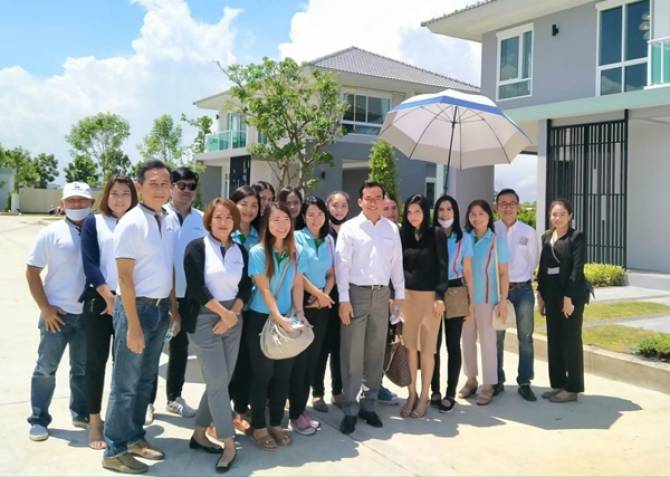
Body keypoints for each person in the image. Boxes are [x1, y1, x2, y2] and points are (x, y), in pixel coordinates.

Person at [102, 160, 180, 474]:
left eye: (165, 184)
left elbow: (168, 266)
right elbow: (124, 278)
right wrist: (133, 326)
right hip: (136, 310)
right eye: (153, 183)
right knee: (125, 384)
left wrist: (173, 307)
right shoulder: (132, 223)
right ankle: (114, 450)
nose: (160, 189)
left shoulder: (169, 219)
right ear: (140, 186)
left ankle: (134, 437)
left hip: (160, 309)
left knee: (145, 380)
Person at [182, 198, 252, 472]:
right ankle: (228, 442)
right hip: (205, 318)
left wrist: (233, 313)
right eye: (218, 217)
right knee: (219, 383)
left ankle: (199, 434)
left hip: (234, 317)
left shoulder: (240, 250)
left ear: (235, 221)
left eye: (228, 218)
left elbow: (245, 287)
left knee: (219, 381)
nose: (223, 222)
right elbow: (196, 288)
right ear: (209, 220)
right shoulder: (196, 248)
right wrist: (223, 315)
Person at [26, 182, 95, 442]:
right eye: (72, 200)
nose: (77, 205)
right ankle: (38, 419)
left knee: (82, 369)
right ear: (62, 204)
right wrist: (45, 308)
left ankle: (80, 412)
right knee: (45, 368)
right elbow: (32, 271)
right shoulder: (51, 233)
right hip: (56, 315)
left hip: (87, 315)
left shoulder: (100, 231)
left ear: (92, 203)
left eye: (82, 200)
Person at [335, 181, 405, 434]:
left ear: (384, 200)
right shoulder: (350, 228)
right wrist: (344, 299)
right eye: (368, 197)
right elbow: (342, 264)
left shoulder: (391, 229)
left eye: (378, 197)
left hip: (382, 294)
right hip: (356, 295)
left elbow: (396, 263)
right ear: (360, 201)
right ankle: (350, 408)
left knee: (376, 352)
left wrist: (400, 295)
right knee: (352, 353)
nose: (373, 202)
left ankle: (369, 405)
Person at [80, 176, 137, 449]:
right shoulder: (94, 222)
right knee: (95, 362)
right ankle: (94, 421)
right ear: (106, 196)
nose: (119, 199)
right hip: (100, 301)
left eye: (125, 194)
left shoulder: (138, 222)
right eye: (114, 193)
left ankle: (120, 420)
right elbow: (90, 263)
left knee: (124, 366)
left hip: (131, 300)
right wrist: (108, 296)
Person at [246, 202, 308, 450]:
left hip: (287, 318)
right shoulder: (257, 252)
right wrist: (278, 318)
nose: (281, 225)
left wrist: (299, 313)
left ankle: (275, 424)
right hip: (262, 319)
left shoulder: (297, 251)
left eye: (285, 219)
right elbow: (264, 290)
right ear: (267, 224)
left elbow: (297, 284)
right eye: (275, 220)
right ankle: (259, 427)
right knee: (263, 375)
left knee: (283, 375)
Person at [146, 167, 204, 423]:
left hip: (188, 296)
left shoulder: (202, 219)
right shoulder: (158, 216)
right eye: (181, 185)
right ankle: (147, 401)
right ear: (171, 187)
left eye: (192, 186)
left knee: (180, 349)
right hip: (158, 295)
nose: (187, 190)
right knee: (152, 350)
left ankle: (174, 397)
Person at [289, 197, 335, 434]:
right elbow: (298, 273)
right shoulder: (296, 237)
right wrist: (318, 294)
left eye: (319, 214)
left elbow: (331, 273)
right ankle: (295, 414)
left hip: (321, 306)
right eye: (310, 214)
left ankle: (302, 408)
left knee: (313, 359)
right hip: (301, 303)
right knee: (299, 360)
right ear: (303, 216)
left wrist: (324, 296)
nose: (315, 219)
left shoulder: (328, 240)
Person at [398, 194, 446, 418]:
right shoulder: (403, 235)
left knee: (427, 350)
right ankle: (412, 394)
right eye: (409, 212)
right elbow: (397, 266)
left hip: (430, 299)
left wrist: (440, 295)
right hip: (408, 298)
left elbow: (443, 266)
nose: (413, 216)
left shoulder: (436, 233)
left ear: (425, 212)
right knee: (410, 348)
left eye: (417, 211)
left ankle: (425, 395)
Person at [537, 199, 589, 403]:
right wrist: (540, 294)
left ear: (570, 216)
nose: (557, 218)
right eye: (554, 214)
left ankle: (573, 388)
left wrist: (569, 297)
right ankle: (558, 384)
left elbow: (577, 269)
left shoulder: (576, 237)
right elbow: (543, 268)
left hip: (571, 296)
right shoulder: (546, 236)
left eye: (562, 214)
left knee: (571, 340)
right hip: (551, 296)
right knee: (555, 340)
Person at [459, 199, 509, 406]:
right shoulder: (464, 239)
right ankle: (471, 380)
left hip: (488, 299)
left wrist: (503, 301)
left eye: (481, 213)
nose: (477, 218)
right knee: (467, 340)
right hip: (465, 299)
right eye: (473, 214)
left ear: (489, 216)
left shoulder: (497, 242)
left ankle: (488, 385)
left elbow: (504, 273)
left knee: (488, 343)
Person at [494, 189, 540, 401]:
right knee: (497, 337)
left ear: (518, 206)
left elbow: (533, 260)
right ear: (497, 207)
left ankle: (524, 382)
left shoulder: (528, 232)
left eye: (511, 203)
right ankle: (497, 380)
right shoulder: (492, 230)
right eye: (503, 203)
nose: (507, 207)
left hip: (523, 290)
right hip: (498, 291)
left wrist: (521, 278)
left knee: (525, 337)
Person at [430, 194, 469, 413]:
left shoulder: (464, 238)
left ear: (455, 212)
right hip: (433, 292)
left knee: (453, 345)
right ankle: (434, 389)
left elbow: (468, 271)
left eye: (449, 209)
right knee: (432, 345)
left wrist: (469, 302)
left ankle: (450, 393)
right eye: (441, 209)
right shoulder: (429, 235)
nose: (445, 214)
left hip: (456, 290)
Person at [311, 191, 348, 412]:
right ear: (327, 206)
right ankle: (317, 392)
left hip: (345, 296)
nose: (339, 210)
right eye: (335, 205)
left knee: (339, 346)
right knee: (321, 345)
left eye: (343, 206)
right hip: (323, 295)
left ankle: (338, 390)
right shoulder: (322, 233)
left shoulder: (351, 231)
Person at [228, 185, 261, 434]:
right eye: (244, 204)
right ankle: (221, 411)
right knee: (228, 362)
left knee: (246, 361)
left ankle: (241, 409)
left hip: (254, 307)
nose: (249, 210)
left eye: (254, 205)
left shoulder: (260, 235)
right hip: (229, 307)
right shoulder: (226, 233)